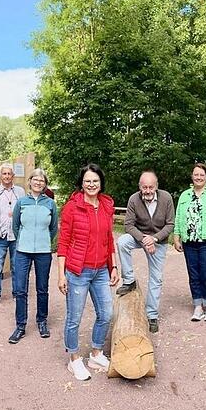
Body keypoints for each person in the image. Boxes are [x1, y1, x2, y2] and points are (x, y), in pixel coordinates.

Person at [57, 163, 120, 380]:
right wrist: (60, 275)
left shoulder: (105, 206)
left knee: (106, 313)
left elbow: (109, 239)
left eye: (95, 181)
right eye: (87, 181)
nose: (91, 184)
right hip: (78, 271)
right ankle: (74, 359)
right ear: (81, 184)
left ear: (100, 183)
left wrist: (113, 267)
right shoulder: (71, 208)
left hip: (101, 270)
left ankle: (95, 353)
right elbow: (63, 243)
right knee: (74, 317)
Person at [116, 170, 175, 333]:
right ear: (140, 187)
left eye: (151, 187)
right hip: (139, 236)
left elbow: (170, 224)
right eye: (144, 187)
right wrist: (143, 239)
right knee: (122, 242)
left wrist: (154, 239)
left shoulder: (166, 198)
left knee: (156, 278)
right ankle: (129, 280)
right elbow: (128, 225)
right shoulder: (134, 199)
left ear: (156, 186)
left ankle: (152, 315)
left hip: (158, 241)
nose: (148, 191)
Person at [8, 168, 58, 344]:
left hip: (43, 252)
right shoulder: (21, 202)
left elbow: (53, 228)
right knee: (21, 289)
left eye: (42, 180)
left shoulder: (50, 204)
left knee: (42, 288)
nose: (38, 182)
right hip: (22, 251)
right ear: (29, 181)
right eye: (35, 179)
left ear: (45, 184)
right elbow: (15, 226)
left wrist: (45, 241)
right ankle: (20, 326)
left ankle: (42, 321)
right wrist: (24, 240)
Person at [173, 163, 206, 322]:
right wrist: (177, 235)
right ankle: (197, 305)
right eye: (196, 174)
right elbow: (179, 216)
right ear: (192, 176)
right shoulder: (185, 195)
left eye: (202, 174)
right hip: (190, 241)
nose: (199, 177)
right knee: (194, 274)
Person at [0, 163, 26, 308]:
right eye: (4, 174)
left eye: (9, 174)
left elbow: (24, 210)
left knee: (17, 266)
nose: (7, 176)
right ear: (0, 176)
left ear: (13, 176)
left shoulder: (20, 191)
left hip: (16, 236)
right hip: (0, 236)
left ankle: (17, 293)